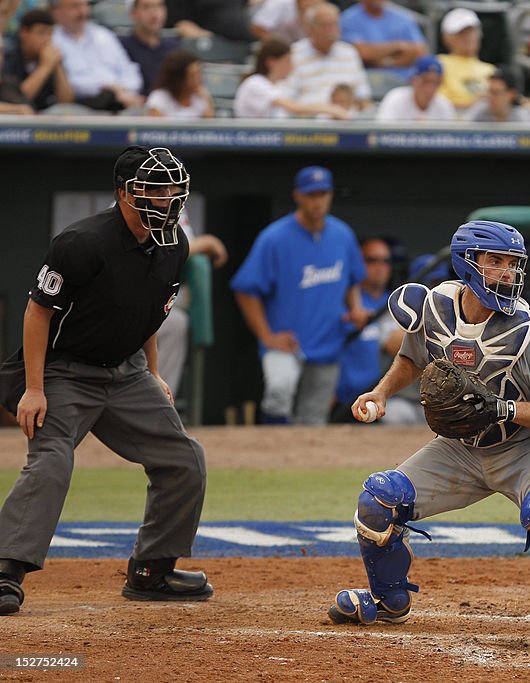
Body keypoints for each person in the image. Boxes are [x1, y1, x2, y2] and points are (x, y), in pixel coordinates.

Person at [325, 220, 530, 632]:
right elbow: (412, 358)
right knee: (378, 500)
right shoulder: (434, 307)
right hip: (458, 449)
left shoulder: (526, 329)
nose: (507, 273)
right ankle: (389, 601)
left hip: (524, 448)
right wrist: (381, 393)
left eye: (513, 263)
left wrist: (502, 408)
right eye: (495, 261)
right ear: (467, 263)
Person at [0, 147, 211, 616]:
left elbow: (150, 315)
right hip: (64, 370)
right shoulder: (81, 242)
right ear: (124, 194)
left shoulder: (175, 244)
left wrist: (154, 375)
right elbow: (37, 312)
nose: (167, 198)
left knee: (183, 457)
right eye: (153, 190)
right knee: (52, 460)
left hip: (127, 371)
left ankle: (152, 571)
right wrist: (34, 388)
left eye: (173, 188)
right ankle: (5, 571)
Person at [231, 166, 369, 425]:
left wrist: (356, 307)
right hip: (287, 341)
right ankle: (270, 455)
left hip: (328, 338)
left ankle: (299, 462)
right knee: (278, 392)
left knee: (314, 415)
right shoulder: (274, 237)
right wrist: (266, 336)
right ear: (298, 196)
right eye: (311, 194)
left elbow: (352, 279)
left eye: (322, 194)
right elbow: (246, 289)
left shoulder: (342, 234)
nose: (317, 201)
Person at [333, 238, 420, 425]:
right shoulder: (345, 303)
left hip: (383, 395)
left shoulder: (399, 303)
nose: (380, 267)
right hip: (345, 399)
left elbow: (395, 343)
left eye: (385, 261)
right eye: (371, 260)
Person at [156, 210, 228, 399]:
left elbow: (178, 252)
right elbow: (157, 249)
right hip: (117, 305)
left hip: (152, 304)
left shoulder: (175, 202)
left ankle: (160, 402)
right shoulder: (130, 200)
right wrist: (208, 242)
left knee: (176, 323)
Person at [51, 0, 144, 112]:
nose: (83, 12)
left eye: (85, 6)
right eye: (75, 6)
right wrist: (107, 88)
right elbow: (71, 83)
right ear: (56, 12)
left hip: (121, 100)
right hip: (81, 105)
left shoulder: (104, 35)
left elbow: (130, 72)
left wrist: (122, 90)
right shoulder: (52, 40)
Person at [233, 37, 352, 119]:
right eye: (287, 62)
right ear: (272, 62)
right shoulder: (255, 83)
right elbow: (294, 107)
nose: (291, 67)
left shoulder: (279, 87)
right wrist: (331, 109)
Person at [288, 2, 370, 111]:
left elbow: (363, 97)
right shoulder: (294, 54)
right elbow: (286, 100)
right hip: (308, 123)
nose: (330, 31)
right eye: (324, 25)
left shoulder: (349, 52)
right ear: (309, 28)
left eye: (333, 24)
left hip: (347, 122)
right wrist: (327, 110)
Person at [2, 9, 74, 112]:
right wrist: (45, 67)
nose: (47, 39)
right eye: (41, 33)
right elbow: (17, 99)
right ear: (24, 32)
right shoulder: (8, 56)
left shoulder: (49, 58)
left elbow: (66, 101)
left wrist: (57, 66)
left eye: (50, 33)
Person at [340, 0, 428, 80]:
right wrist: (399, 46)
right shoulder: (348, 18)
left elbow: (420, 52)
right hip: (366, 82)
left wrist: (386, 62)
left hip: (404, 82)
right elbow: (363, 53)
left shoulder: (403, 17)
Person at [437, 8, 494, 111]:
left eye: (471, 31)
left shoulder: (491, 70)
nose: (468, 37)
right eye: (461, 33)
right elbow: (436, 106)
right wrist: (474, 105)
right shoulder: (439, 64)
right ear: (446, 38)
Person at [120, 0, 181, 95]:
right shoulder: (121, 48)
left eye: (159, 6)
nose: (154, 13)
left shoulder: (175, 48)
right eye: (146, 7)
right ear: (133, 13)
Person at [376, 54, 456, 122]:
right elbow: (383, 135)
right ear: (413, 80)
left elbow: (451, 138)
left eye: (436, 83)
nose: (430, 88)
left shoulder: (444, 105)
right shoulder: (395, 99)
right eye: (425, 81)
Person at [145, 49, 214, 118]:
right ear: (178, 79)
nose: (198, 79)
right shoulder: (159, 97)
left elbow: (209, 125)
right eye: (192, 76)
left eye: (199, 73)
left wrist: (207, 99)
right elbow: (156, 127)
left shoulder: (201, 97)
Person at [466, 66, 530, 122]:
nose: (490, 97)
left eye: (496, 93)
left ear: (512, 94)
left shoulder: (521, 117)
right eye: (489, 92)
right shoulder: (480, 109)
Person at [251, 0, 318, 44]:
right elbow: (258, 26)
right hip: (280, 50)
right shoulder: (280, 3)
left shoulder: (319, 6)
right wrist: (277, 44)